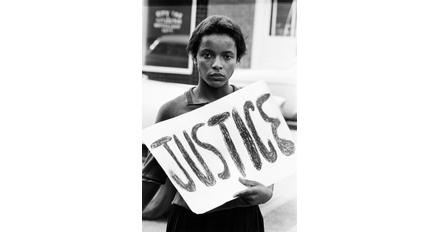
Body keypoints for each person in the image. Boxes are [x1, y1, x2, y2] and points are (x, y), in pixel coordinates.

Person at [142, 15, 273, 232]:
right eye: (207, 55)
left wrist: (266, 192)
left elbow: (269, 170)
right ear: (194, 57)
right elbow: (150, 178)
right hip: (189, 220)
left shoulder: (251, 106)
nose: (217, 65)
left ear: (237, 59)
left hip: (243, 220)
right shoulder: (172, 111)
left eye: (227, 56)